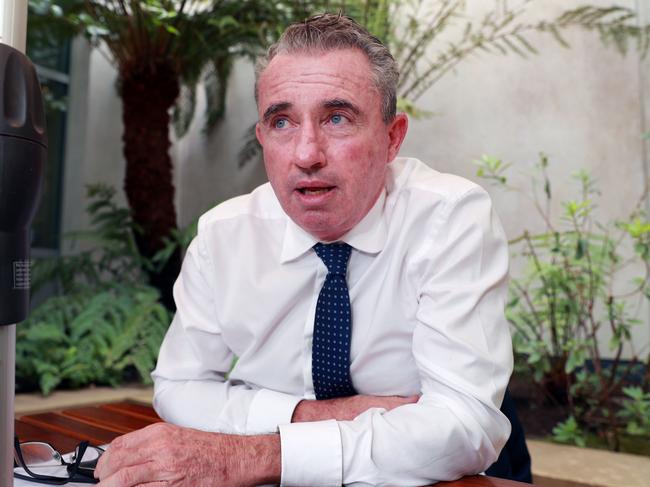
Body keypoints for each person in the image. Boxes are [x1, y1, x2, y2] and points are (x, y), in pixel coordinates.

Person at [95, 13, 516, 487]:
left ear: (392, 137)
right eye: (282, 122)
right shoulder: (223, 235)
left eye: (337, 118)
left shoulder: (450, 219)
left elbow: (463, 426)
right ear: (262, 139)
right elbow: (177, 385)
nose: (306, 153)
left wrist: (255, 455)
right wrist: (308, 417)